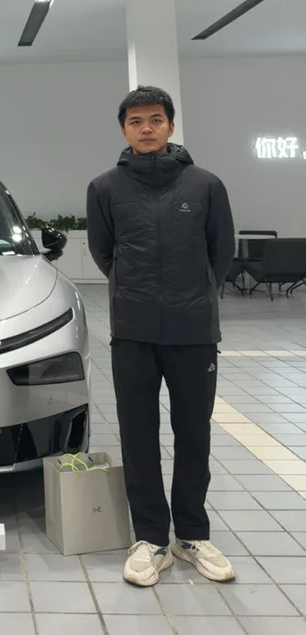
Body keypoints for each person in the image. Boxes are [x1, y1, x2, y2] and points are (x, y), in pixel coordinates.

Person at [86, 85, 236, 587]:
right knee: (138, 435)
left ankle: (190, 535)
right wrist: (137, 294)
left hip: (194, 332)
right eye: (135, 121)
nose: (146, 128)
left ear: (171, 125)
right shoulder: (105, 187)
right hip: (133, 331)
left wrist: (193, 295)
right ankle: (150, 538)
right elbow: (105, 254)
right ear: (123, 129)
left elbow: (221, 254)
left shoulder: (205, 185)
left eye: (155, 119)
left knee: (194, 433)